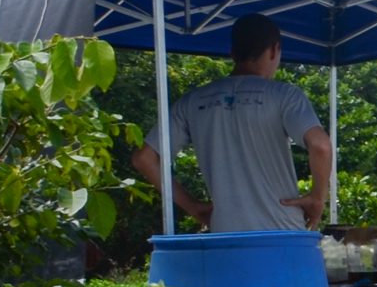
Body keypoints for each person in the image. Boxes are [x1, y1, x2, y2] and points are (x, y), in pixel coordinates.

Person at [128, 13, 330, 234]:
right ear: (274, 49)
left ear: (233, 53)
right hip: (282, 231)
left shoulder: (193, 101)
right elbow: (321, 146)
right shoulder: (285, 95)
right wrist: (317, 198)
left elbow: (144, 158)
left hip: (225, 232)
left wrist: (191, 205)